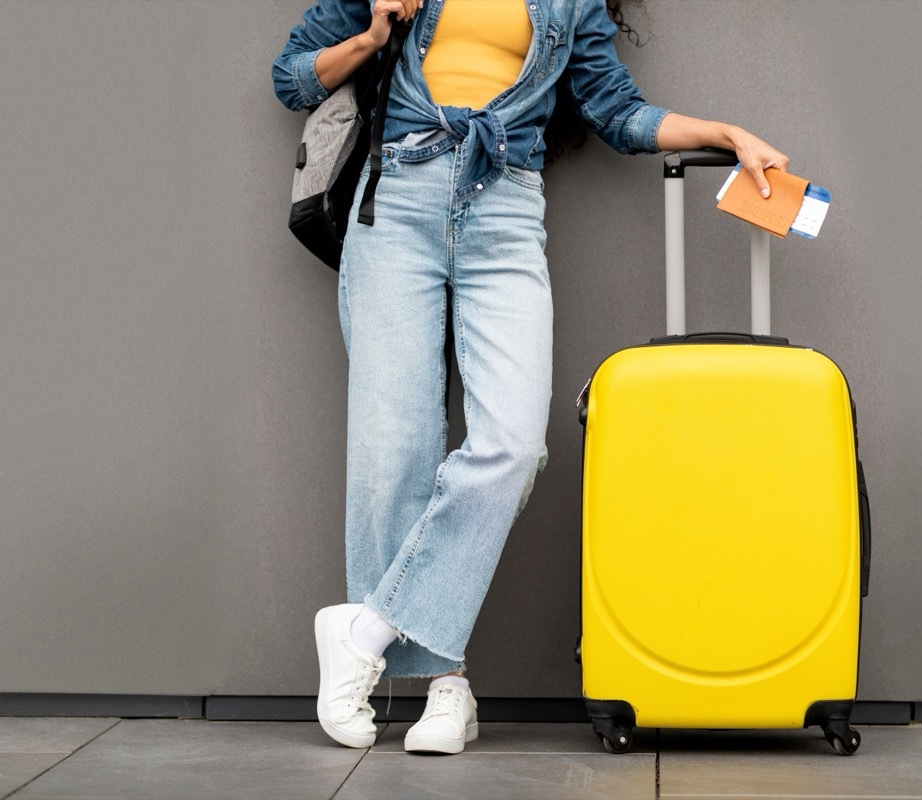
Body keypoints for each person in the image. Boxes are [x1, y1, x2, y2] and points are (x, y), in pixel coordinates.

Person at [272, 0, 788, 754]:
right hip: (396, 200)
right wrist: (374, 35)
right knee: (395, 452)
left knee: (512, 442)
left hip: (505, 209)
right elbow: (292, 79)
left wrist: (723, 133)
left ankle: (365, 630)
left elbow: (615, 108)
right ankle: (447, 686)